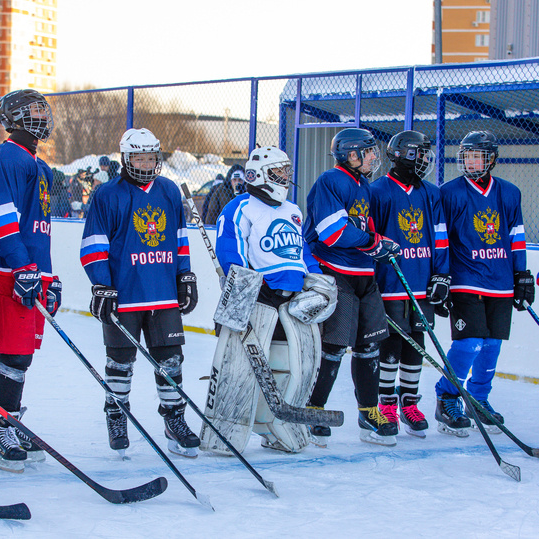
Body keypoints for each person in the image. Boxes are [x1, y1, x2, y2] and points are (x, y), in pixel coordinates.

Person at [79, 127, 200, 458]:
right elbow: (93, 245)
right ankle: (116, 415)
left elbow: (179, 237)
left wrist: (185, 274)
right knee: (120, 363)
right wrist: (102, 284)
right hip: (125, 295)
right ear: (125, 158)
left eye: (151, 157)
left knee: (171, 362)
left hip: (162, 294)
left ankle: (174, 420)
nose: (146, 163)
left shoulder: (169, 191)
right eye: (138, 157)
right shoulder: (107, 195)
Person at [208, 146, 337, 453]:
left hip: (293, 303)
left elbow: (302, 252)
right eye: (280, 172)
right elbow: (231, 251)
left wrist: (317, 280)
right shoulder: (240, 208)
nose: (286, 177)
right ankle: (227, 431)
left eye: (287, 171)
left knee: (295, 368)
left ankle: (279, 429)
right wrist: (242, 293)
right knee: (240, 370)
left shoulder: (292, 210)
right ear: (260, 175)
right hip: (259, 298)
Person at [302, 127, 402, 447]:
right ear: (351, 154)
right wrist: (372, 242)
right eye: (369, 151)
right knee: (333, 347)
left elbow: (365, 226)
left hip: (364, 276)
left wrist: (380, 246)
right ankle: (314, 409)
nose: (375, 156)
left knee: (369, 346)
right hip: (335, 274)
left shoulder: (364, 185)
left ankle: (368, 411)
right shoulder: (330, 182)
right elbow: (333, 232)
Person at [0, 89, 61, 473]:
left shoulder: (39, 166)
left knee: (23, 355)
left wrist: (48, 275)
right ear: (12, 117)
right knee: (11, 352)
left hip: (29, 269)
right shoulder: (6, 157)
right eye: (33, 111)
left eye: (44, 111)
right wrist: (20, 266)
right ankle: (1, 432)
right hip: (9, 270)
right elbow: (1, 219)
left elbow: (38, 229)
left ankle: (11, 419)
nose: (42, 117)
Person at [433, 131, 533, 436]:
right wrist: (441, 275)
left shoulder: (509, 192)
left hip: (501, 281)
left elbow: (516, 236)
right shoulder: (448, 193)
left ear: (491, 160)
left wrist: (522, 275)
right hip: (466, 280)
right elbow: (440, 239)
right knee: (470, 343)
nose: (471, 161)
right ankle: (447, 397)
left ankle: (479, 399)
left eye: (477, 156)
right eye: (467, 156)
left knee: (491, 345)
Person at [369, 131, 449, 438]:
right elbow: (371, 239)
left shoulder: (432, 193)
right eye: (419, 153)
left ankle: (409, 402)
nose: (425, 160)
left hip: (421, 281)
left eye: (427, 154)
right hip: (391, 283)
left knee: (417, 341)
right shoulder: (378, 191)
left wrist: (442, 275)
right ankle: (386, 402)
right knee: (390, 343)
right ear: (400, 155)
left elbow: (440, 236)